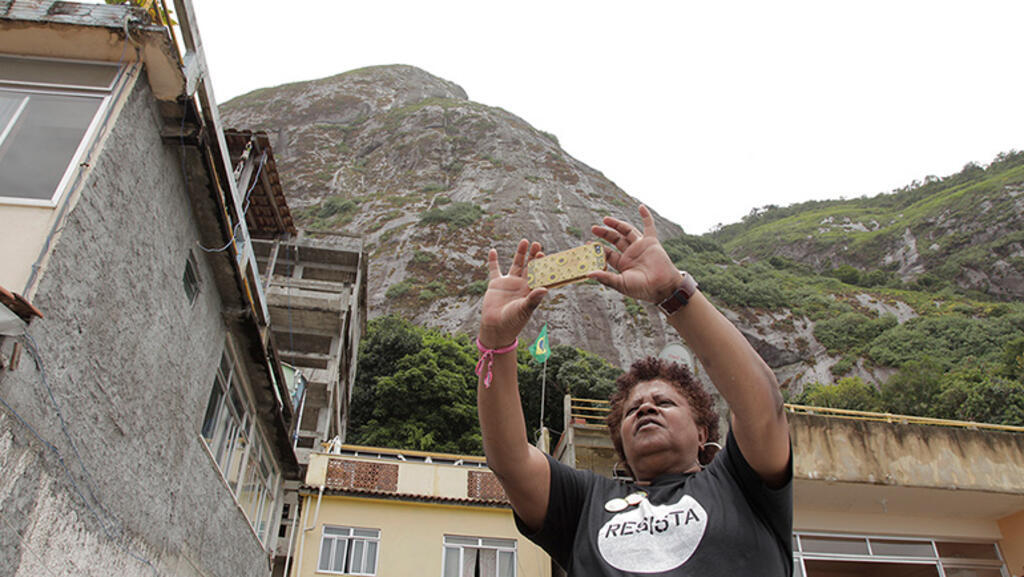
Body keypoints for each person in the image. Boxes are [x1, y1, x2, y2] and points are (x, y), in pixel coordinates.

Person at [475, 205, 793, 576]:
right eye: (632, 409)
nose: (645, 409)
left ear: (703, 431)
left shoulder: (741, 485)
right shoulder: (584, 504)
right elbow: (510, 461)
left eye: (663, 402)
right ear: (621, 444)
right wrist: (495, 342)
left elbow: (762, 405)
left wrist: (674, 291)